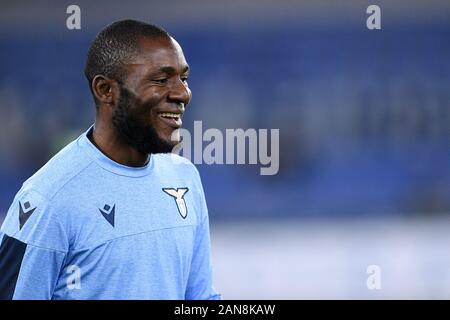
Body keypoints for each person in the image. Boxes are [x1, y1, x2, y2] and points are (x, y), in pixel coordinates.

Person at [0, 19, 221, 300]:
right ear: (106, 90)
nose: (182, 93)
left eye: (184, 78)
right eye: (161, 80)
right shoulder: (47, 199)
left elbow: (200, 298)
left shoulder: (184, 177)